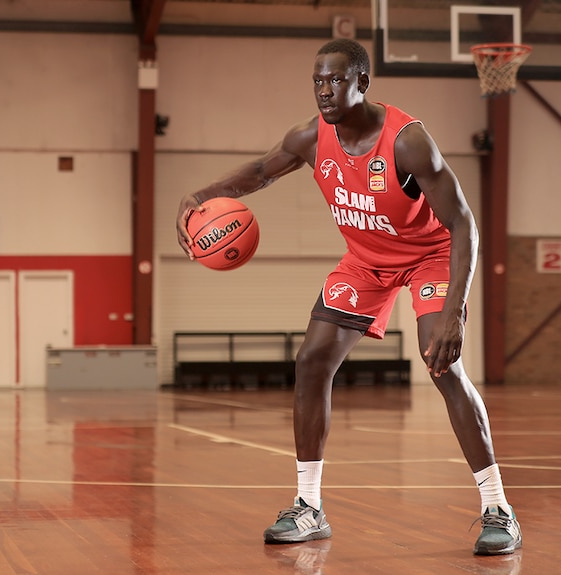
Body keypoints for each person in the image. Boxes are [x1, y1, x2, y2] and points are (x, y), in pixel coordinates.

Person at [175, 38, 521, 556]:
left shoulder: (407, 141)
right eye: (317, 80)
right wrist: (203, 195)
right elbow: (261, 171)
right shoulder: (312, 138)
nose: (325, 90)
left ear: (362, 83)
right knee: (311, 361)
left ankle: (498, 508)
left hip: (431, 255)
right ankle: (308, 507)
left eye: (336, 80)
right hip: (366, 262)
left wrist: (454, 310)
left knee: (442, 366)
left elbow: (463, 223)